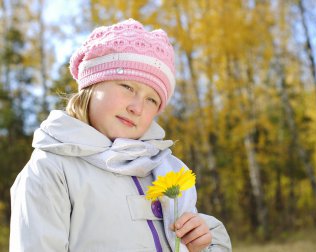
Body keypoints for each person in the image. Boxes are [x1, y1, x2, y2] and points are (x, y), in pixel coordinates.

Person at [9, 19, 231, 252]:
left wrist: (202, 244)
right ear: (92, 85)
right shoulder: (52, 169)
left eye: (152, 99)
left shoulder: (166, 171)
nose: (137, 107)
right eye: (127, 87)